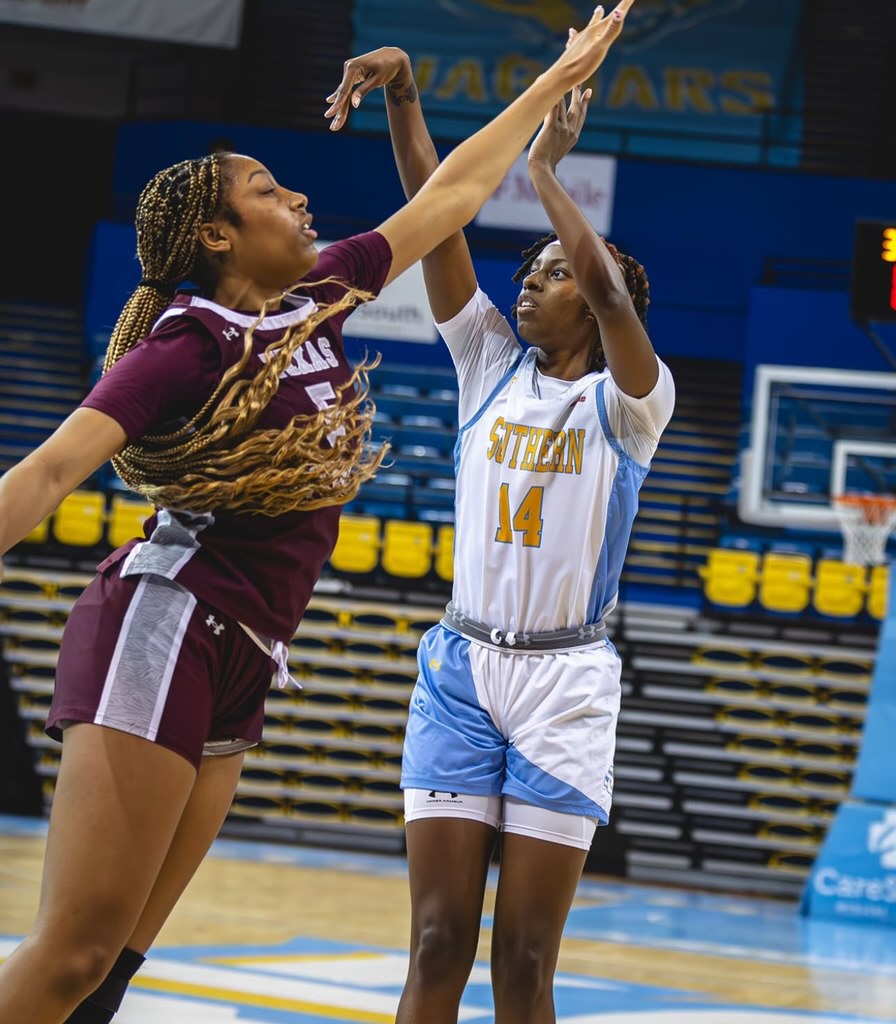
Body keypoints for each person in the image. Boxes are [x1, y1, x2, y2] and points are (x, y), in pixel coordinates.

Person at [0, 7, 636, 1023]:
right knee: (73, 952)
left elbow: (452, 194)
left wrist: (556, 77)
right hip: (166, 621)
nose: (296, 197)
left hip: (247, 643)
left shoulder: (321, 292)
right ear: (216, 236)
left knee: (114, 964)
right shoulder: (188, 345)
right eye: (266, 189)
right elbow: (45, 473)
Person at [324, 18, 672, 1024]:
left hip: (564, 685)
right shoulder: (487, 365)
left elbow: (608, 289)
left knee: (522, 961)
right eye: (530, 270)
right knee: (437, 942)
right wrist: (403, 94)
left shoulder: (632, 402)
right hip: (461, 669)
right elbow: (438, 217)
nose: (530, 281)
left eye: (552, 273)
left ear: (599, 304)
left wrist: (546, 171)